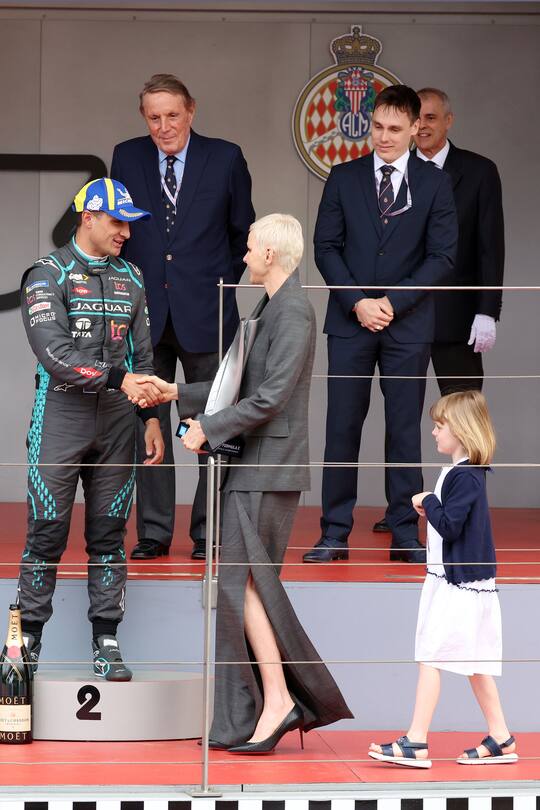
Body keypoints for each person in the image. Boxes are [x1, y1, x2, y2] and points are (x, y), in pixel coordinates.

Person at [133, 214, 353, 751]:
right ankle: (275, 701)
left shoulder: (295, 311)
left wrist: (208, 428)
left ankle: (278, 701)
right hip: (256, 466)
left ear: (271, 255)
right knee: (245, 585)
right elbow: (239, 382)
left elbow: (271, 396)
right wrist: (175, 393)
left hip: (269, 469)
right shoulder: (272, 306)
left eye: (251, 247)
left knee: (244, 584)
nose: (245, 255)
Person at [303, 85, 458, 565]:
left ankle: (405, 534)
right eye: (377, 127)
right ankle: (333, 534)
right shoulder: (344, 176)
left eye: (395, 129)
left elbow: (442, 256)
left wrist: (392, 301)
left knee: (404, 432)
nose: (384, 137)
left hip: (407, 325)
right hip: (351, 324)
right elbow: (325, 247)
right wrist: (358, 302)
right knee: (341, 429)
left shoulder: (434, 183)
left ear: (416, 128)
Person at [18, 178, 164, 682]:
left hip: (120, 423)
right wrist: (125, 380)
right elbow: (56, 356)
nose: (126, 231)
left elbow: (143, 354)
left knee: (109, 534)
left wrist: (150, 419)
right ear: (89, 218)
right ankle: (26, 643)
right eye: (118, 221)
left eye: (129, 223)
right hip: (60, 417)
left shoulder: (133, 276)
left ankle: (107, 640)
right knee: (47, 531)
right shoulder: (45, 275)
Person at [111, 73, 255, 561]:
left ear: (191, 111)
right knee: (146, 424)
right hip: (145, 314)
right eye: (154, 117)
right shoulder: (127, 156)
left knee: (211, 424)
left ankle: (207, 532)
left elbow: (243, 235)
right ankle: (153, 532)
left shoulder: (225, 157)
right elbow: (121, 232)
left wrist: (212, 285)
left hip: (207, 315)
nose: (164, 126)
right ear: (144, 117)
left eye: (172, 115)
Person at [368, 391, 517, 768]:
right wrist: (431, 503)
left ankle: (416, 741)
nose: (433, 432)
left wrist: (428, 502)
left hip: (457, 585)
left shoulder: (464, 475)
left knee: (431, 656)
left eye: (439, 426)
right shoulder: (461, 473)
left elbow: (450, 526)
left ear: (461, 430)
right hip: (458, 582)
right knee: (474, 663)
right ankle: (501, 737)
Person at [414, 87, 504, 395]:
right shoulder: (392, 171)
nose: (422, 125)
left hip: (457, 318)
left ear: (448, 120)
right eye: (417, 118)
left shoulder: (480, 171)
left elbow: (490, 247)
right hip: (402, 317)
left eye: (431, 117)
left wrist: (487, 310)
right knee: (400, 418)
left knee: (463, 417)